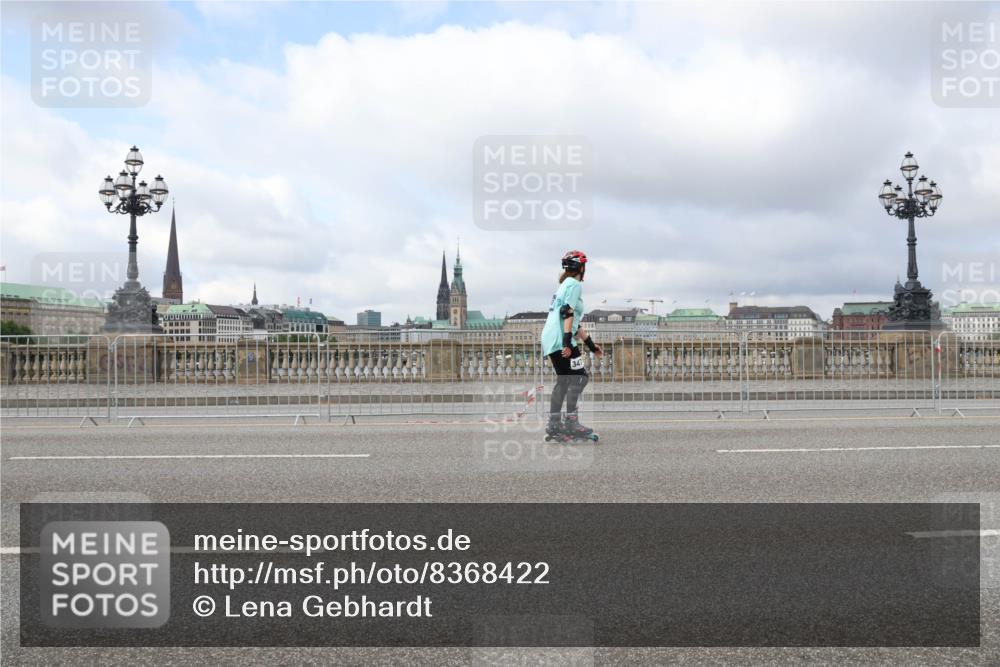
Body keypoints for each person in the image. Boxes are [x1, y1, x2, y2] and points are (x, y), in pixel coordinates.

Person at [540, 250, 603, 440]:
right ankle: (571, 422)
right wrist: (567, 342)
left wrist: (591, 345)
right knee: (580, 378)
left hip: (550, 337)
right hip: (560, 339)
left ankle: (554, 423)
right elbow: (567, 313)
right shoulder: (574, 285)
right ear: (580, 267)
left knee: (564, 380)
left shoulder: (563, 285)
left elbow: (574, 322)